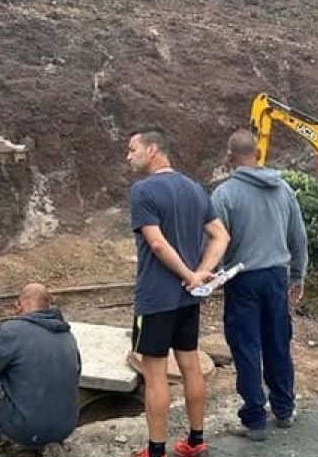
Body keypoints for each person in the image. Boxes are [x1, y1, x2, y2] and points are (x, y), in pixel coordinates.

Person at [126, 126, 230, 457]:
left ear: (153, 149)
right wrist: (200, 274)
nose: (128, 156)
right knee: (190, 365)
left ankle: (155, 451)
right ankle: (196, 440)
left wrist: (189, 273)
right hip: (188, 300)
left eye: (133, 149)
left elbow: (155, 243)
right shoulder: (195, 189)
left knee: (154, 375)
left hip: (156, 299)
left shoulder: (142, 191)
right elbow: (221, 236)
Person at [210, 130, 309, 442]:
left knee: (247, 347)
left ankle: (254, 420)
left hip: (243, 279)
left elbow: (215, 242)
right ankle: (284, 409)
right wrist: (298, 276)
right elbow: (299, 237)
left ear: (230, 157)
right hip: (277, 277)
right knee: (278, 342)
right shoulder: (283, 189)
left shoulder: (224, 195)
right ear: (257, 154)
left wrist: (213, 275)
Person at [0, 283, 81, 457]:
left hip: (27, 429)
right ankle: (46, 442)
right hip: (65, 427)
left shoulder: (13, 331)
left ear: (18, 305)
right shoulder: (68, 336)